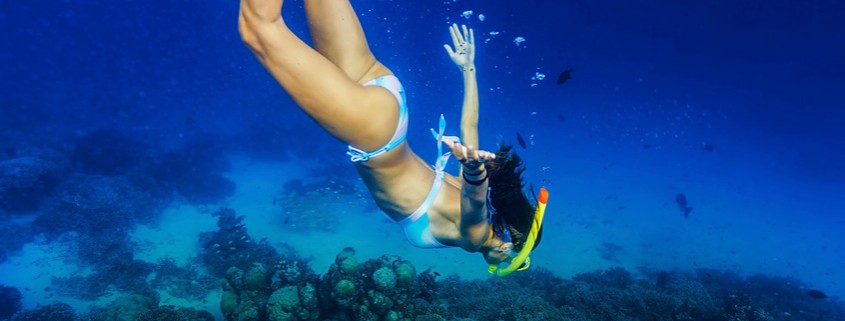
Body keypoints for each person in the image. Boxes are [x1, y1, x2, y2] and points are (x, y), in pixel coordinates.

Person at [239, 0, 544, 273]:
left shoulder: (481, 208)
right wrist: (475, 170)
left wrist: (469, 70)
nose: (505, 264)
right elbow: (474, 199)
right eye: (515, 263)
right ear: (510, 244)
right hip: (373, 131)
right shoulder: (477, 237)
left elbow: (470, 129)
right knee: (259, 28)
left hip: (387, 98)